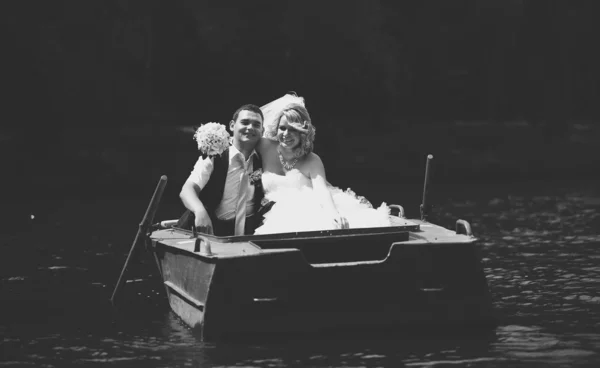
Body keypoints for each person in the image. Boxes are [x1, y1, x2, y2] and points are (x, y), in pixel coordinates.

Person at [253, 95, 392, 234]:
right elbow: (242, 141)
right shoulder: (265, 146)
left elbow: (322, 191)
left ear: (303, 132)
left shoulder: (312, 160)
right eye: (282, 128)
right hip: (272, 211)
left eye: (293, 129)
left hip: (307, 209)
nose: (286, 134)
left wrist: (334, 214)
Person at [177, 104, 265, 236]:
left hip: (249, 233)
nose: (250, 128)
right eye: (245, 122)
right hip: (211, 231)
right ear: (231, 125)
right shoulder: (215, 154)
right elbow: (187, 190)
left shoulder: (263, 159)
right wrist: (200, 211)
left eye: (256, 125)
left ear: (262, 131)